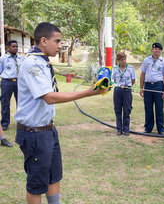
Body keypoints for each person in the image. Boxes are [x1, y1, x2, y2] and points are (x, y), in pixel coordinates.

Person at [14, 22, 107, 204]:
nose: (59, 46)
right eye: (57, 41)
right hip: (34, 133)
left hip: (48, 130)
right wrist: (88, 92)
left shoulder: (42, 61)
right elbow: (49, 97)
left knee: (53, 177)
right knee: (36, 184)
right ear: (43, 40)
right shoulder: (33, 63)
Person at [140, 42, 164, 135]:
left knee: (159, 108)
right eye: (155, 49)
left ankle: (161, 129)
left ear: (161, 51)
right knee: (148, 107)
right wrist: (141, 88)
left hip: (158, 86)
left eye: (158, 49)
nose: (157, 50)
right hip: (148, 85)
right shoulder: (146, 60)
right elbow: (142, 74)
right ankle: (148, 128)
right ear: (152, 50)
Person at [0, 40, 25, 130]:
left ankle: (21, 121)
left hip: (19, 82)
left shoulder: (21, 58)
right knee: (5, 103)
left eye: (16, 46)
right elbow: (1, 70)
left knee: (21, 102)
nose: (15, 48)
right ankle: (5, 123)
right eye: (13, 46)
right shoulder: (3, 59)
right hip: (7, 82)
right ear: (8, 48)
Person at [112, 52, 136, 136]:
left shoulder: (130, 68)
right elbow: (114, 80)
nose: (124, 61)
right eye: (121, 60)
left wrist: (127, 86)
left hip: (127, 90)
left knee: (127, 110)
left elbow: (133, 80)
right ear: (118, 60)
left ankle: (126, 129)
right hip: (118, 91)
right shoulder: (115, 69)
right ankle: (119, 129)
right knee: (118, 110)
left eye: (125, 59)